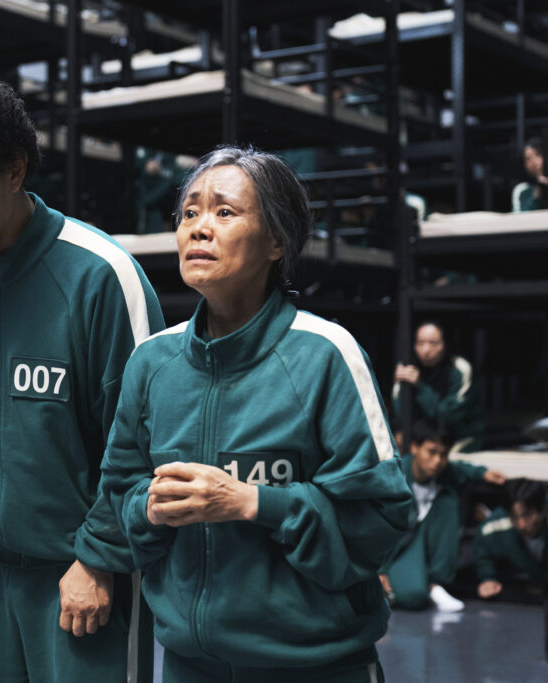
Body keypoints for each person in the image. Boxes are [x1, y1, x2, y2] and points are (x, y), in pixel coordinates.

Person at [99, 146, 413, 682]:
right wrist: (149, 509)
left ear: (276, 241)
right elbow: (118, 496)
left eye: (224, 212)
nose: (199, 228)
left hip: (315, 666)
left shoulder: (326, 354)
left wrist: (252, 502)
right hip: (188, 666)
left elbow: (381, 521)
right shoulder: (152, 363)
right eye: (189, 212)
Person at [0, 76, 165, 682]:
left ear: (14, 169)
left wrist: (98, 558)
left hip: (86, 580)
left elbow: (145, 440)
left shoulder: (101, 277)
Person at [378, 421, 506, 612]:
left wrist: (484, 474)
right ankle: (395, 591)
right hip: (395, 548)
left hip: (421, 543)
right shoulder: (395, 474)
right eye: (431, 452)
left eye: (443, 455)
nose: (438, 461)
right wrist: (379, 570)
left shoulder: (445, 472)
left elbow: (460, 468)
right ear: (414, 448)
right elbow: (377, 528)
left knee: (448, 503)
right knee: (413, 596)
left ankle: (435, 584)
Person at [393, 321, 483, 453]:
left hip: (459, 439)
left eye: (434, 343)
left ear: (445, 344)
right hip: (421, 440)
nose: (426, 350)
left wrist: (420, 387)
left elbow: (448, 417)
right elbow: (401, 416)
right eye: (420, 343)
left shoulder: (460, 369)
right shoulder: (408, 367)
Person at [475, 478, 548, 599]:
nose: (521, 524)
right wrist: (488, 577)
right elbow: (482, 540)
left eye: (527, 515)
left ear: (543, 509)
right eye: (514, 517)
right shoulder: (496, 524)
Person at [512, 138, 548, 212]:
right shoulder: (522, 190)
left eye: (537, 154)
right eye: (528, 158)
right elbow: (517, 219)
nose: (534, 161)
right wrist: (536, 198)